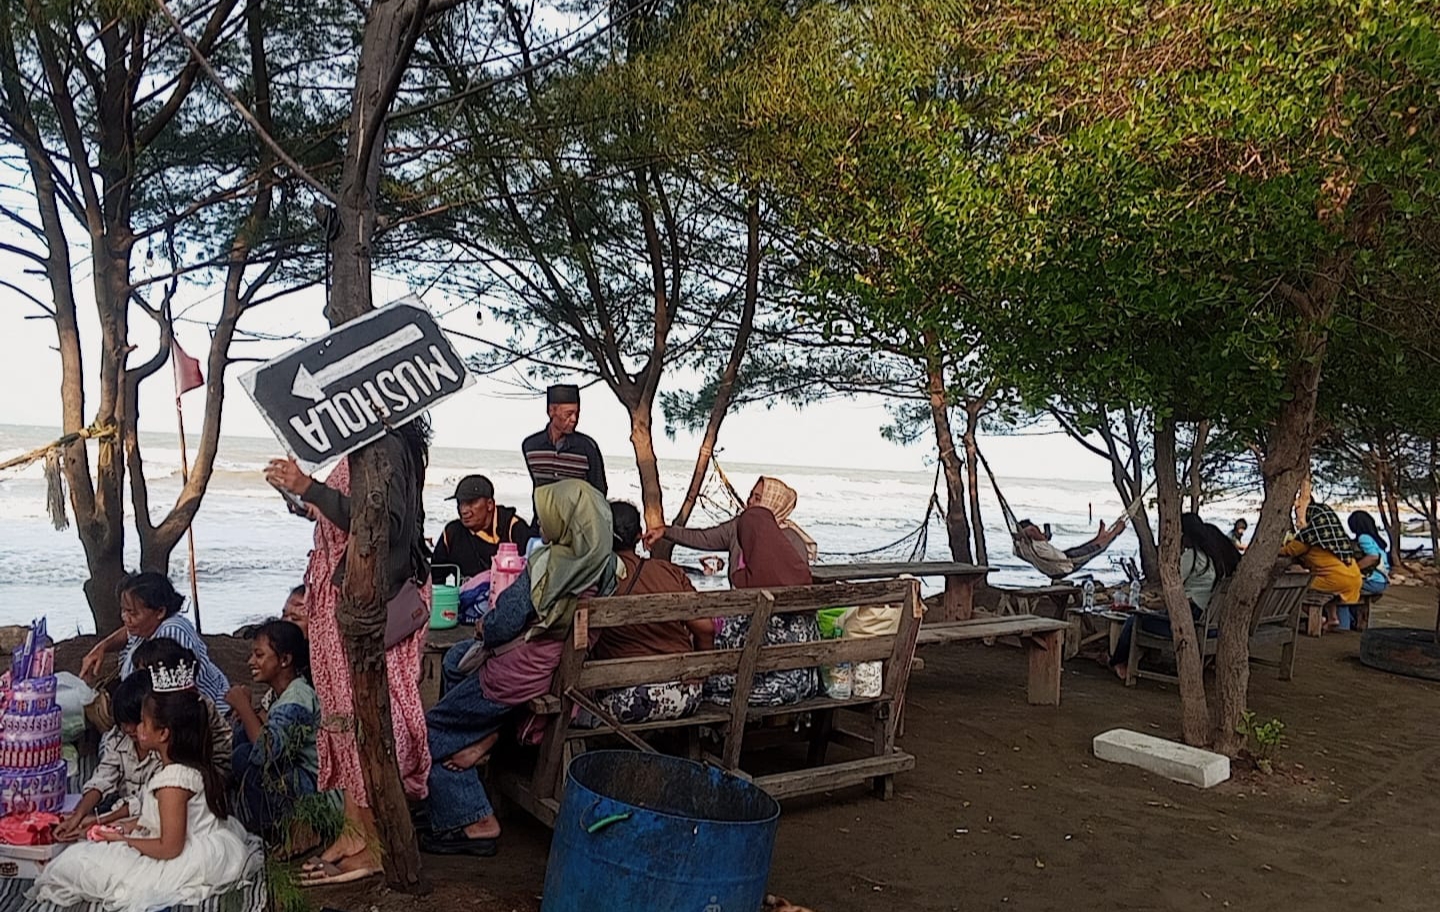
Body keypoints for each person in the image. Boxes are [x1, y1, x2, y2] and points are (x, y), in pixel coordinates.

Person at [265, 420, 433, 886]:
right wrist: (300, 496)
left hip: (368, 599)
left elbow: (382, 524)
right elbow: (342, 516)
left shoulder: (387, 444)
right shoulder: (363, 445)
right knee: (339, 712)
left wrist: (311, 488)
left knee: (372, 715)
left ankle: (377, 845)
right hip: (337, 593)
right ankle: (353, 830)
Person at [422, 479, 617, 857]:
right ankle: (481, 740)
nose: (541, 524)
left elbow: (500, 626)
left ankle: (474, 816)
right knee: (455, 662)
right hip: (558, 671)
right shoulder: (607, 565)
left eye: (548, 515)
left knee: (428, 732)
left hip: (517, 674)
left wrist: (484, 626)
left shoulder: (547, 565)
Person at [28, 673, 255, 912]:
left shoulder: (173, 781)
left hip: (178, 856)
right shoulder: (184, 766)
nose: (137, 729)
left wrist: (123, 839)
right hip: (171, 838)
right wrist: (118, 826)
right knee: (84, 852)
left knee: (75, 864)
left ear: (163, 733)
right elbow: (156, 816)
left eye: (143, 722)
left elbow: (170, 847)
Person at [592, 501, 714, 724]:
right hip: (685, 697)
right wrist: (700, 674)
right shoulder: (670, 572)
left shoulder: (593, 578)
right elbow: (706, 628)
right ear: (639, 535)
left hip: (626, 699)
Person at [705, 505, 821, 707]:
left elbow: (728, 646)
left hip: (772, 688)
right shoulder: (800, 575)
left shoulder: (748, 586)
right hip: (807, 683)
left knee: (705, 685)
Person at [1110, 514, 1241, 680]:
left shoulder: (1191, 557)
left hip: (1190, 625)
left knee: (1135, 621)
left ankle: (1118, 662)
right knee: (1149, 616)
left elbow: (1173, 593)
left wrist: (1151, 603)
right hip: (1209, 625)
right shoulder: (1212, 561)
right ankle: (1137, 658)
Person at [225, 620, 321, 844]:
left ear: (285, 660)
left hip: (315, 787)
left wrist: (244, 707)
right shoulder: (281, 694)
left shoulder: (298, 698)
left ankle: (279, 832)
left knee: (244, 757)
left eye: (259, 655)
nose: (251, 662)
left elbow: (268, 752)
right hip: (297, 773)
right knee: (241, 736)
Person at [79, 572, 230, 707]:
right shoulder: (145, 626)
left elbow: (170, 698)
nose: (125, 618)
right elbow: (126, 633)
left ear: (160, 611)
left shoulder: (172, 634)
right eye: (123, 611)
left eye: (132, 613)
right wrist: (102, 647)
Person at [54, 671, 161, 841]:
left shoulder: (164, 750)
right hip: (119, 819)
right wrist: (78, 816)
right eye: (123, 723)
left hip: (151, 823)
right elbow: (102, 778)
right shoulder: (118, 738)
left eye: (134, 722)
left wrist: (98, 820)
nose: (128, 729)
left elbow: (145, 801)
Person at [643, 476, 817, 578]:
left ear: (773, 503)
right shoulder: (738, 527)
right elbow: (703, 538)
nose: (749, 501)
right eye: (751, 496)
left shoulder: (792, 539)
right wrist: (665, 531)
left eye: (757, 498)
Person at [132, 638, 234, 783]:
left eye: (142, 675)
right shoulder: (153, 706)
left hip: (204, 777)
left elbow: (222, 752)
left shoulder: (194, 705)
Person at [431, 474, 532, 581]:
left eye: (470, 503)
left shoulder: (513, 528)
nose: (464, 510)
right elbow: (435, 577)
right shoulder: (452, 533)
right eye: (460, 503)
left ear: (490, 504)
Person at [1280, 503, 1363, 632]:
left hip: (1335, 580)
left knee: (1296, 587)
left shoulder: (1308, 536)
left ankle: (1318, 618)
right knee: (1325, 582)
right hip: (1354, 577)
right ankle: (1333, 618)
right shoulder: (1335, 534)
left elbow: (1289, 551)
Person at [521, 384, 608, 497]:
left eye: (577, 413)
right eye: (568, 414)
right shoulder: (530, 447)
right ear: (551, 411)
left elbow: (599, 492)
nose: (574, 419)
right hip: (543, 515)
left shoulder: (588, 448)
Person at [1017, 517, 1127, 569]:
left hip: (1063, 557)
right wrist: (1041, 536)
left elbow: (1027, 534)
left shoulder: (1023, 547)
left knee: (1086, 547)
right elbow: (1031, 530)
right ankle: (1115, 532)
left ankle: (1100, 536)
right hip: (1066, 564)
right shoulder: (1038, 543)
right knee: (1094, 549)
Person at [1346, 510, 1391, 627]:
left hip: (1373, 581)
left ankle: (1345, 623)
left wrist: (1353, 569)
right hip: (1382, 580)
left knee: (1343, 588)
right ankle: (1354, 621)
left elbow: (1373, 556)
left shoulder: (1363, 538)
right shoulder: (1375, 539)